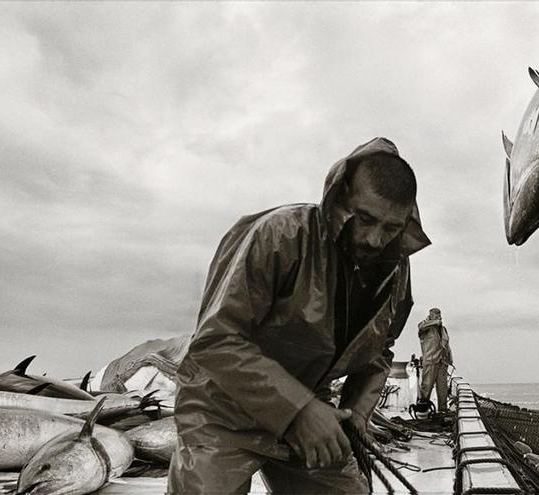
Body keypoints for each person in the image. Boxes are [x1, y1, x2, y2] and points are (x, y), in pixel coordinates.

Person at [167, 137, 430, 493]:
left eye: (391, 228)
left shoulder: (394, 271)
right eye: (365, 219)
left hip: (311, 415)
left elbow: (380, 351)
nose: (374, 239)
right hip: (221, 411)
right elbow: (215, 342)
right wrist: (298, 410)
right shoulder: (279, 235)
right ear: (343, 198)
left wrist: (354, 417)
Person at [417, 307, 453, 412]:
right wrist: (434, 322)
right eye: (436, 316)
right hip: (430, 361)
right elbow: (421, 327)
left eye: (440, 315)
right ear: (430, 316)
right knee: (426, 387)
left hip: (443, 362)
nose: (439, 318)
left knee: (443, 389)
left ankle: (443, 411)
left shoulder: (443, 329)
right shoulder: (424, 325)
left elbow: (446, 344)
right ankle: (423, 411)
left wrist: (450, 357)